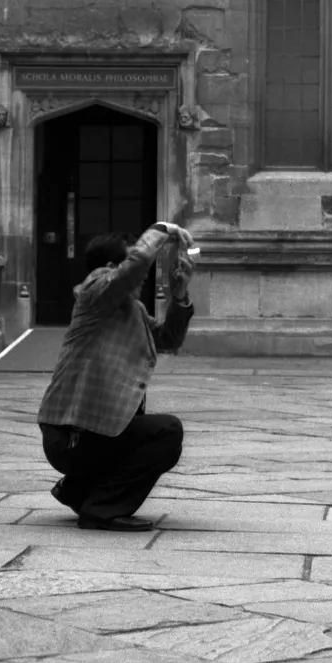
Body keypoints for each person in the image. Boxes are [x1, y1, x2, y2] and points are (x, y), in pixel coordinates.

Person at [37, 222, 195, 532]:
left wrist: (179, 296)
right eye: (132, 259)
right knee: (166, 432)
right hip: (72, 435)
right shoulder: (93, 292)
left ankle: (79, 490)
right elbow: (132, 270)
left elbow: (167, 339)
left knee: (158, 437)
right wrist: (161, 229)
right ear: (110, 267)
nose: (144, 273)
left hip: (97, 433)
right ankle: (102, 509)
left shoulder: (131, 309)